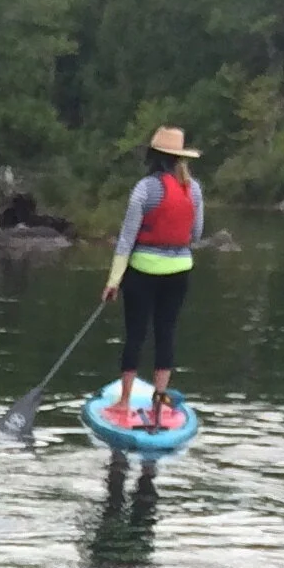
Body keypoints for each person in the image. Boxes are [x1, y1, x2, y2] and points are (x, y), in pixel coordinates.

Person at [102, 126, 204, 429]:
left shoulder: (145, 188)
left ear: (153, 156)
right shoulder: (194, 188)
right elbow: (195, 234)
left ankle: (124, 401)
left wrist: (113, 281)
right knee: (166, 332)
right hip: (179, 271)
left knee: (136, 333)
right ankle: (159, 400)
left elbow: (126, 240)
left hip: (142, 270)